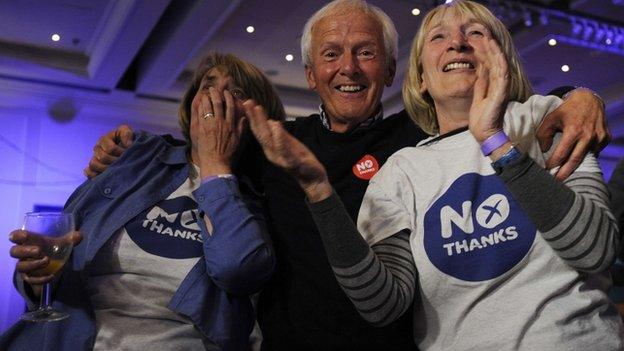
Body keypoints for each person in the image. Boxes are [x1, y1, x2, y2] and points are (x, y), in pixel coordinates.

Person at [84, 1, 611, 349]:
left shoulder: (418, 138)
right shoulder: (276, 145)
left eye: (365, 54)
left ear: (390, 69)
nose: (349, 69)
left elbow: (488, 109)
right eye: (331, 55)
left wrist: (578, 97)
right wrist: (133, 152)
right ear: (311, 74)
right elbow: (201, 150)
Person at [243, 0, 624, 349]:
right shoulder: (399, 168)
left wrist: (503, 137)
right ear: (421, 75)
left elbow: (595, 251)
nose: (457, 43)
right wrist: (317, 188)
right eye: (439, 37)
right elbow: (382, 303)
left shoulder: (550, 120)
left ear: (502, 56)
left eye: (475, 32)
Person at [2, 53, 283, 351]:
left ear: (256, 121)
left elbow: (237, 270)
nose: (216, 96)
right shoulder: (138, 159)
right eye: (208, 86)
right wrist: (39, 273)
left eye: (236, 93)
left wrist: (215, 164)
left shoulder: (262, 197)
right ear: (192, 102)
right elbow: (47, 270)